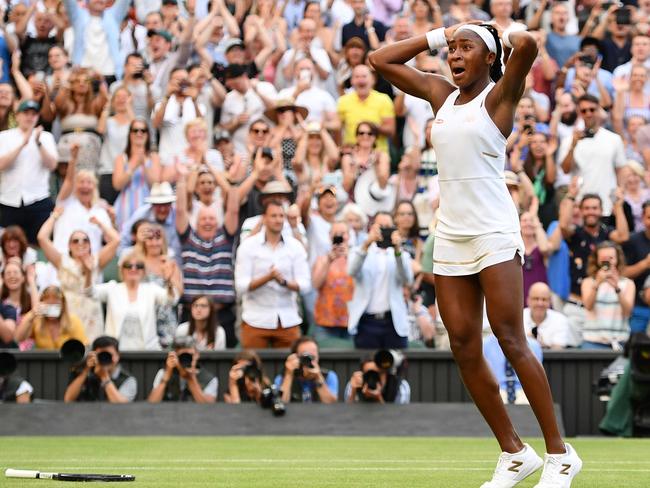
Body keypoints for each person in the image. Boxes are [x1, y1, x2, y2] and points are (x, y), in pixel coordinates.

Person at [369, 20, 581, 486]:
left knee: (509, 337)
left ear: (489, 57)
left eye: (467, 48)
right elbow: (379, 61)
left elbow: (526, 45)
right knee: (463, 345)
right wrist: (439, 35)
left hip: (493, 232)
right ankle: (513, 452)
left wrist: (503, 31)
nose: (455, 55)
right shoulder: (441, 96)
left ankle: (560, 455)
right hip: (451, 233)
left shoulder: (500, 97)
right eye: (453, 49)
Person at [175, 164, 238, 346]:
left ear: (217, 221)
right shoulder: (188, 238)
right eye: (203, 218)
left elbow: (233, 209)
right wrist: (181, 181)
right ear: (197, 221)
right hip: (191, 313)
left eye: (211, 218)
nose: (208, 222)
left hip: (222, 313)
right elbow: (180, 210)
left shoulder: (225, 238)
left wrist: (229, 181)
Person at [235, 200, 311, 348]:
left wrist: (284, 282)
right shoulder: (248, 246)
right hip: (255, 319)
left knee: (292, 366)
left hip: (288, 319)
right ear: (264, 218)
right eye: (274, 216)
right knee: (252, 367)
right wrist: (267, 278)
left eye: (281, 216)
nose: (278, 220)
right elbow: (241, 286)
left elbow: (305, 285)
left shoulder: (295, 247)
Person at [38, 209, 120, 342]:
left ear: (90, 244)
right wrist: (54, 216)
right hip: (69, 312)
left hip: (91, 312)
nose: (80, 244)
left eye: (85, 240)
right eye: (75, 241)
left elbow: (116, 240)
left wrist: (100, 224)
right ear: (69, 245)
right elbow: (42, 237)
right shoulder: (61, 261)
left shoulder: (96, 260)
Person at [347, 212, 413, 349]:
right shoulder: (359, 250)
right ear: (372, 228)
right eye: (381, 227)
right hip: (367, 322)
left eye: (388, 227)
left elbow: (407, 279)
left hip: (393, 322)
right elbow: (352, 271)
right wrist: (367, 243)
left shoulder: (401, 254)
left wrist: (397, 251)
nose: (384, 231)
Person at [90, 251, 180, 350]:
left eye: (139, 266)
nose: (133, 269)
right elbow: (89, 292)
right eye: (128, 265)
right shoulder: (113, 288)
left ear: (144, 271)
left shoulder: (150, 289)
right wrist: (87, 272)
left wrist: (169, 282)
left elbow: (171, 300)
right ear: (122, 270)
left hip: (146, 352)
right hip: (116, 352)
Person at [0, 100, 58, 244]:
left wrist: (38, 144)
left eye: (34, 114)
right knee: (9, 246)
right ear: (17, 115)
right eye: (26, 113)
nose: (30, 117)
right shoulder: (4, 136)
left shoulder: (46, 137)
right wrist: (23, 143)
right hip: (9, 200)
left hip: (38, 199)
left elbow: (52, 165)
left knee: (40, 244)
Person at [580, 241, 635, 350]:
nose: (607, 261)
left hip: (620, 342)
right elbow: (588, 306)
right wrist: (597, 284)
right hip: (593, 342)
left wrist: (617, 288)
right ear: (597, 260)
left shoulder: (628, 283)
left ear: (617, 259)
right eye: (604, 258)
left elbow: (627, 312)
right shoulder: (588, 282)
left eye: (611, 258)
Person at [112, 118, 162, 230]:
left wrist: (144, 163)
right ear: (130, 134)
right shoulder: (121, 158)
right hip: (125, 205)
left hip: (147, 203)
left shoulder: (154, 157)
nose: (139, 133)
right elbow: (117, 185)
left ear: (148, 134)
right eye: (135, 130)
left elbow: (155, 184)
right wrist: (133, 166)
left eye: (143, 130)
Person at [312, 221, 355, 343]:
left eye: (343, 233)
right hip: (326, 321)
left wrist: (349, 257)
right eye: (336, 233)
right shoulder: (322, 259)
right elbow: (315, 284)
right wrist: (328, 261)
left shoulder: (356, 258)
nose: (340, 236)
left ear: (349, 236)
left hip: (351, 320)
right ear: (330, 236)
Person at [63, 336, 137, 403]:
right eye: (101, 355)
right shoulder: (83, 373)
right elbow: (68, 400)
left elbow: (120, 406)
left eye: (109, 355)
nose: (104, 358)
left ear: (118, 356)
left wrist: (104, 377)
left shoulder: (128, 380)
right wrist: (86, 371)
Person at [148, 336, 217, 403]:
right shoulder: (163, 373)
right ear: (176, 356)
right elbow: (152, 404)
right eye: (182, 356)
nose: (185, 360)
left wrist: (191, 379)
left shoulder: (209, 379)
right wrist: (166, 378)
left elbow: (208, 408)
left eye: (189, 356)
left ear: (196, 355)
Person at [15, 286, 87, 349]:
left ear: (63, 304)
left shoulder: (72, 321)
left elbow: (84, 345)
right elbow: (18, 338)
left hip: (69, 362)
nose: (51, 302)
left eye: (56, 299)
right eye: (47, 298)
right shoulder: (37, 321)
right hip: (45, 363)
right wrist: (32, 313)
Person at [274, 336, 338, 403]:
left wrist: (318, 378)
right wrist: (289, 375)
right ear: (295, 358)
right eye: (305, 357)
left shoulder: (329, 376)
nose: (309, 361)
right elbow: (280, 403)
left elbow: (332, 406)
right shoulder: (282, 378)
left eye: (313, 357)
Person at [623, 201, 650, 334]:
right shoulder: (633, 240)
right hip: (638, 307)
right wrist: (645, 264)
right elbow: (622, 273)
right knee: (635, 347)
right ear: (643, 218)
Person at [344, 354, 410, 404]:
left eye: (377, 374)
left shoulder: (401, 386)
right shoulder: (354, 384)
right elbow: (347, 417)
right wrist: (353, 393)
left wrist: (379, 398)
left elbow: (398, 418)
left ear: (386, 373)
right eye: (369, 374)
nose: (372, 378)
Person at [524, 282, 572, 349]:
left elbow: (558, 351)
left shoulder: (560, 320)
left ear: (550, 302)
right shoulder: (518, 318)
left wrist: (537, 345)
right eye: (536, 299)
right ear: (528, 300)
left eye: (544, 299)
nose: (540, 303)